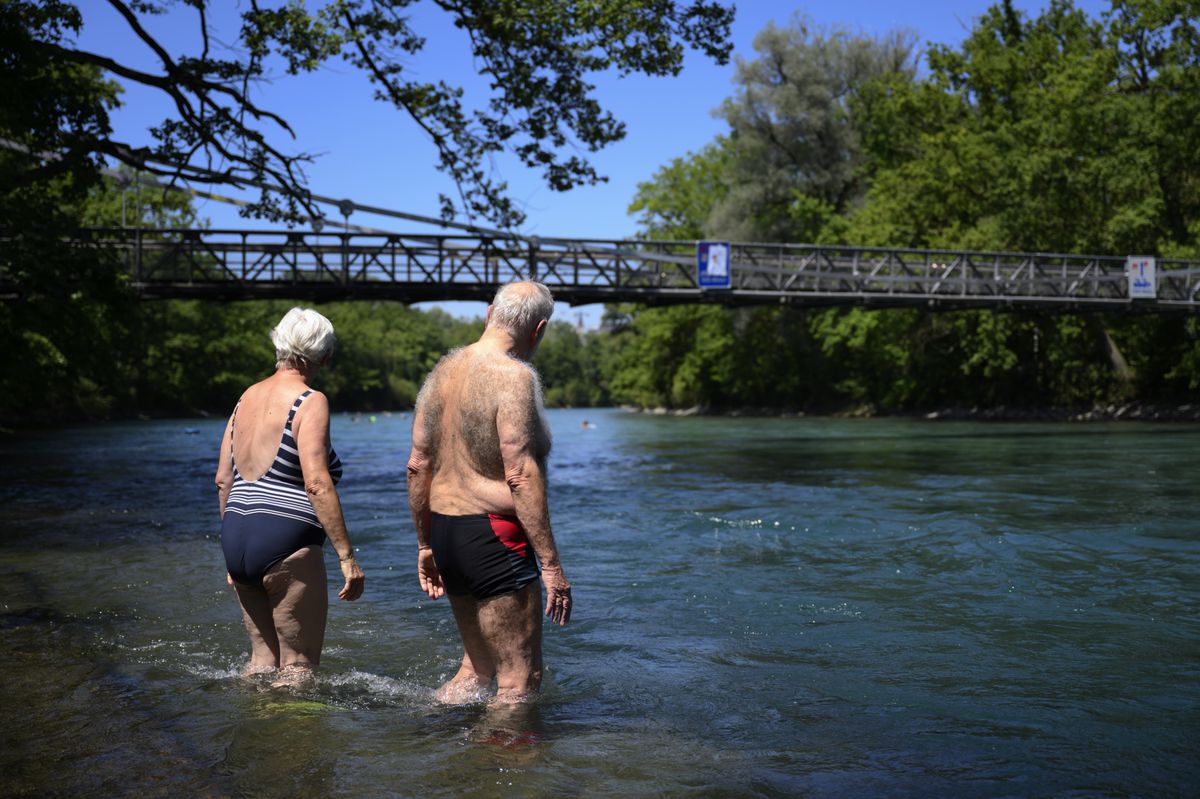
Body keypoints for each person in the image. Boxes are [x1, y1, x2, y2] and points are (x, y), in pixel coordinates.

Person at [407, 281, 572, 705]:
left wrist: (426, 544)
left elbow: (417, 466)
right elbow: (519, 473)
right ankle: (501, 767)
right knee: (519, 682)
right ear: (538, 330)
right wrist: (552, 568)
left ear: (488, 314)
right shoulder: (514, 377)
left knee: (476, 668)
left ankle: (431, 739)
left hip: (446, 531)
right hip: (494, 537)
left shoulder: (442, 371)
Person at [215, 307, 365, 687]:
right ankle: (294, 746)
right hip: (285, 541)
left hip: (237, 535)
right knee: (298, 669)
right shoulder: (309, 401)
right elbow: (316, 482)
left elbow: (222, 480)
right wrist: (347, 557)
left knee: (262, 663)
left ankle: (255, 737)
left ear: (279, 343)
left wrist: (235, 549)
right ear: (324, 356)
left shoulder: (243, 398)